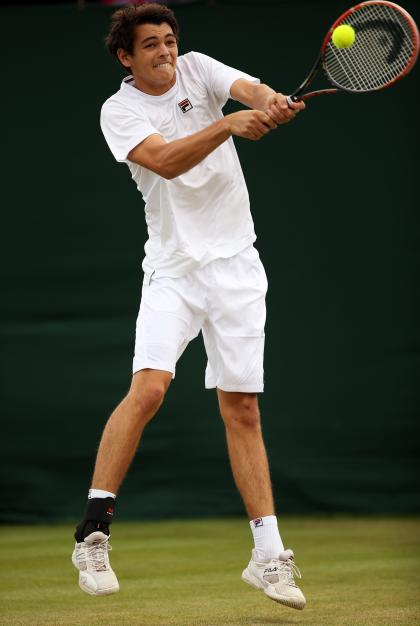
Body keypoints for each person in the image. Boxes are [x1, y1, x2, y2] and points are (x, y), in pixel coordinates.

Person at [72, 3, 306, 610]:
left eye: (170, 41)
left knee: (243, 409)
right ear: (126, 56)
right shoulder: (117, 111)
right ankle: (93, 531)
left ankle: (268, 555)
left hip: (237, 268)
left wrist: (270, 100)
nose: (166, 53)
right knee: (149, 389)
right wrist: (230, 126)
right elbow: (166, 162)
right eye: (150, 45)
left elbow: (248, 88)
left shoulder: (200, 70)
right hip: (172, 272)